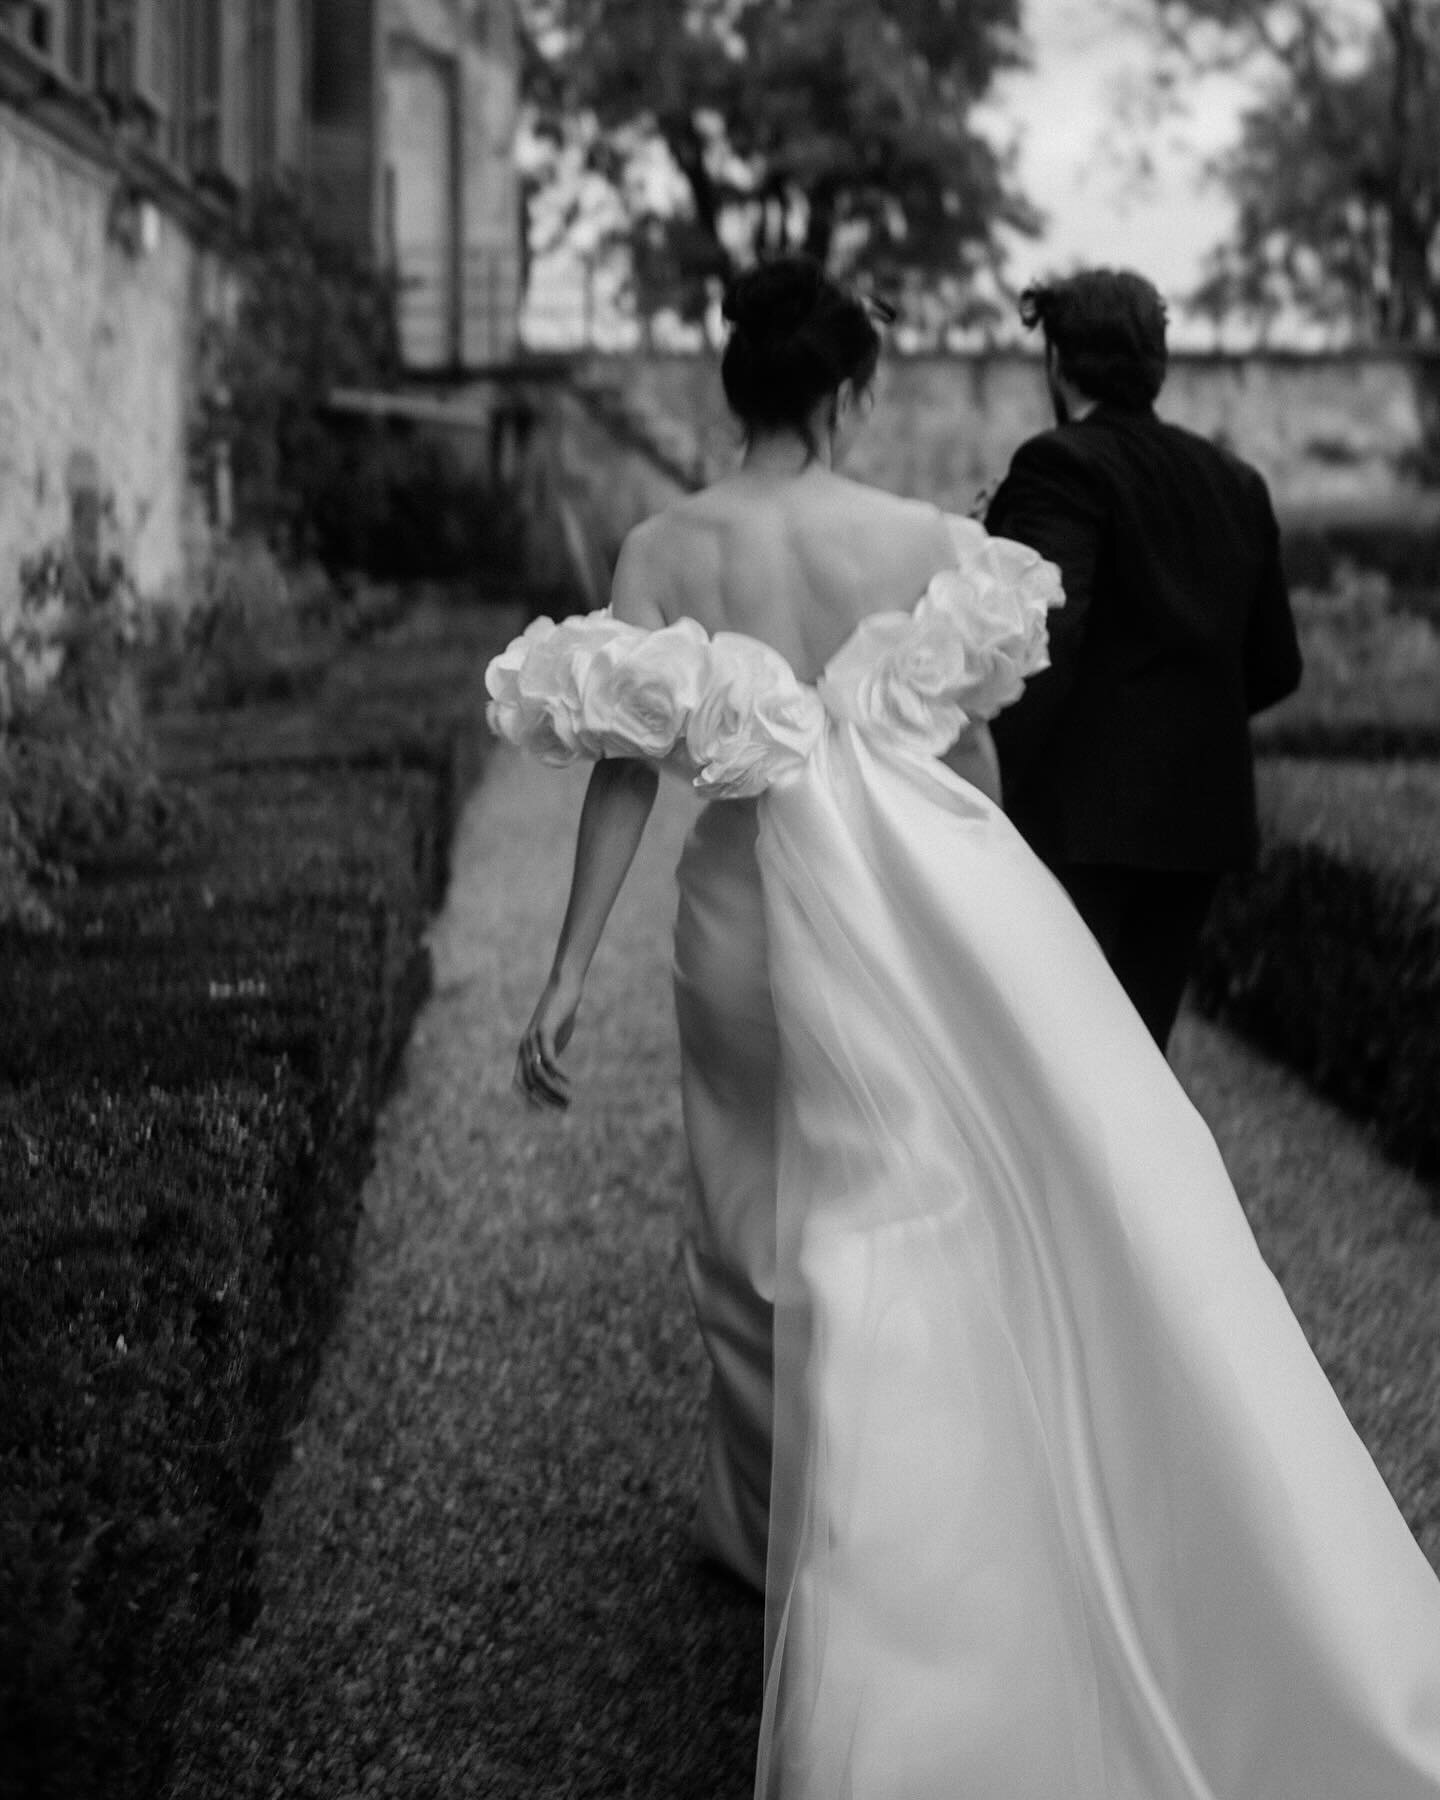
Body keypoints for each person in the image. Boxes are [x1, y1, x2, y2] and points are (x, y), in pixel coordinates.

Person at [490, 257, 1440, 1798]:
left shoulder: (666, 540)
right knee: (892, 1216)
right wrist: (1004, 926)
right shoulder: (931, 541)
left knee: (740, 1225)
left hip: (735, 920)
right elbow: (972, 765)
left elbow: (621, 765)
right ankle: (885, 1534)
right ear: (853, 391)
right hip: (881, 922)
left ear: (739, 390)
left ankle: (761, 1527)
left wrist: (562, 971)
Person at [985, 268, 1303, 1052]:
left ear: (1057, 362)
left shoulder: (1059, 466)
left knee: (1048, 1059)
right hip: (1199, 821)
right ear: (1157, 361)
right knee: (1136, 1057)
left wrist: (987, 782)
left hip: (1075, 819)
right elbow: (1276, 665)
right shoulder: (1236, 481)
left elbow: (1041, 641)